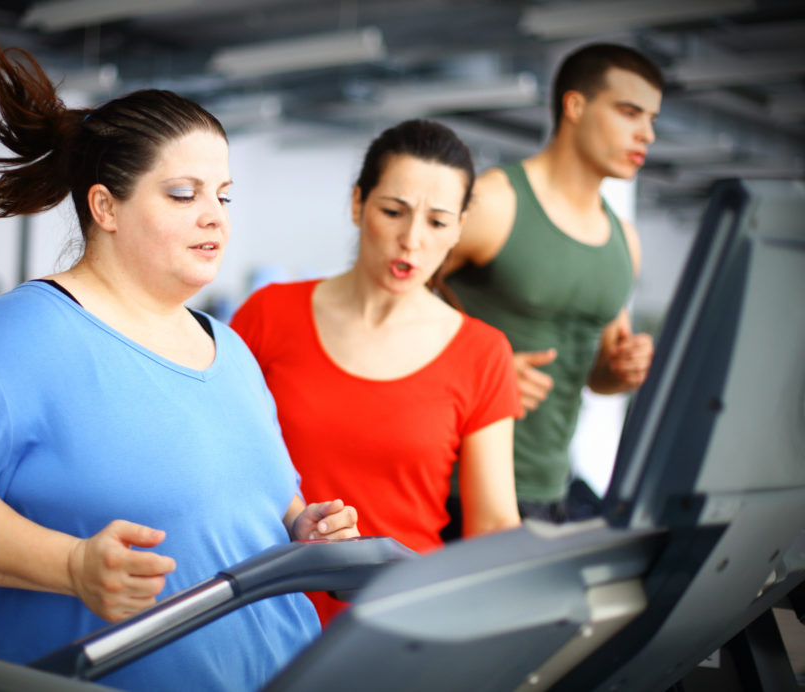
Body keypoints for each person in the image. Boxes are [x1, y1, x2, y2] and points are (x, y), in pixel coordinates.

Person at [0, 45, 358, 692]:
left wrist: (300, 528)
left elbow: (259, 495)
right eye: (183, 194)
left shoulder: (228, 350)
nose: (213, 216)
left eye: (223, 196)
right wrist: (71, 565)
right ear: (106, 208)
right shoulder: (4, 338)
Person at [231, 119, 523, 625]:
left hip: (403, 626)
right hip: (265, 611)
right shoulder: (268, 314)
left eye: (437, 222)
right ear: (357, 204)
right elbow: (226, 461)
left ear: (459, 227)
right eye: (393, 212)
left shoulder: (483, 352)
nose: (412, 240)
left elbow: (494, 524)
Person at [437, 43, 662, 523]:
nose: (647, 133)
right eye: (629, 112)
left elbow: (595, 375)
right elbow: (385, 306)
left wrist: (620, 370)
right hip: (459, 488)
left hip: (553, 485)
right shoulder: (495, 203)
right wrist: (481, 373)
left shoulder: (624, 241)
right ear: (575, 106)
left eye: (652, 118)